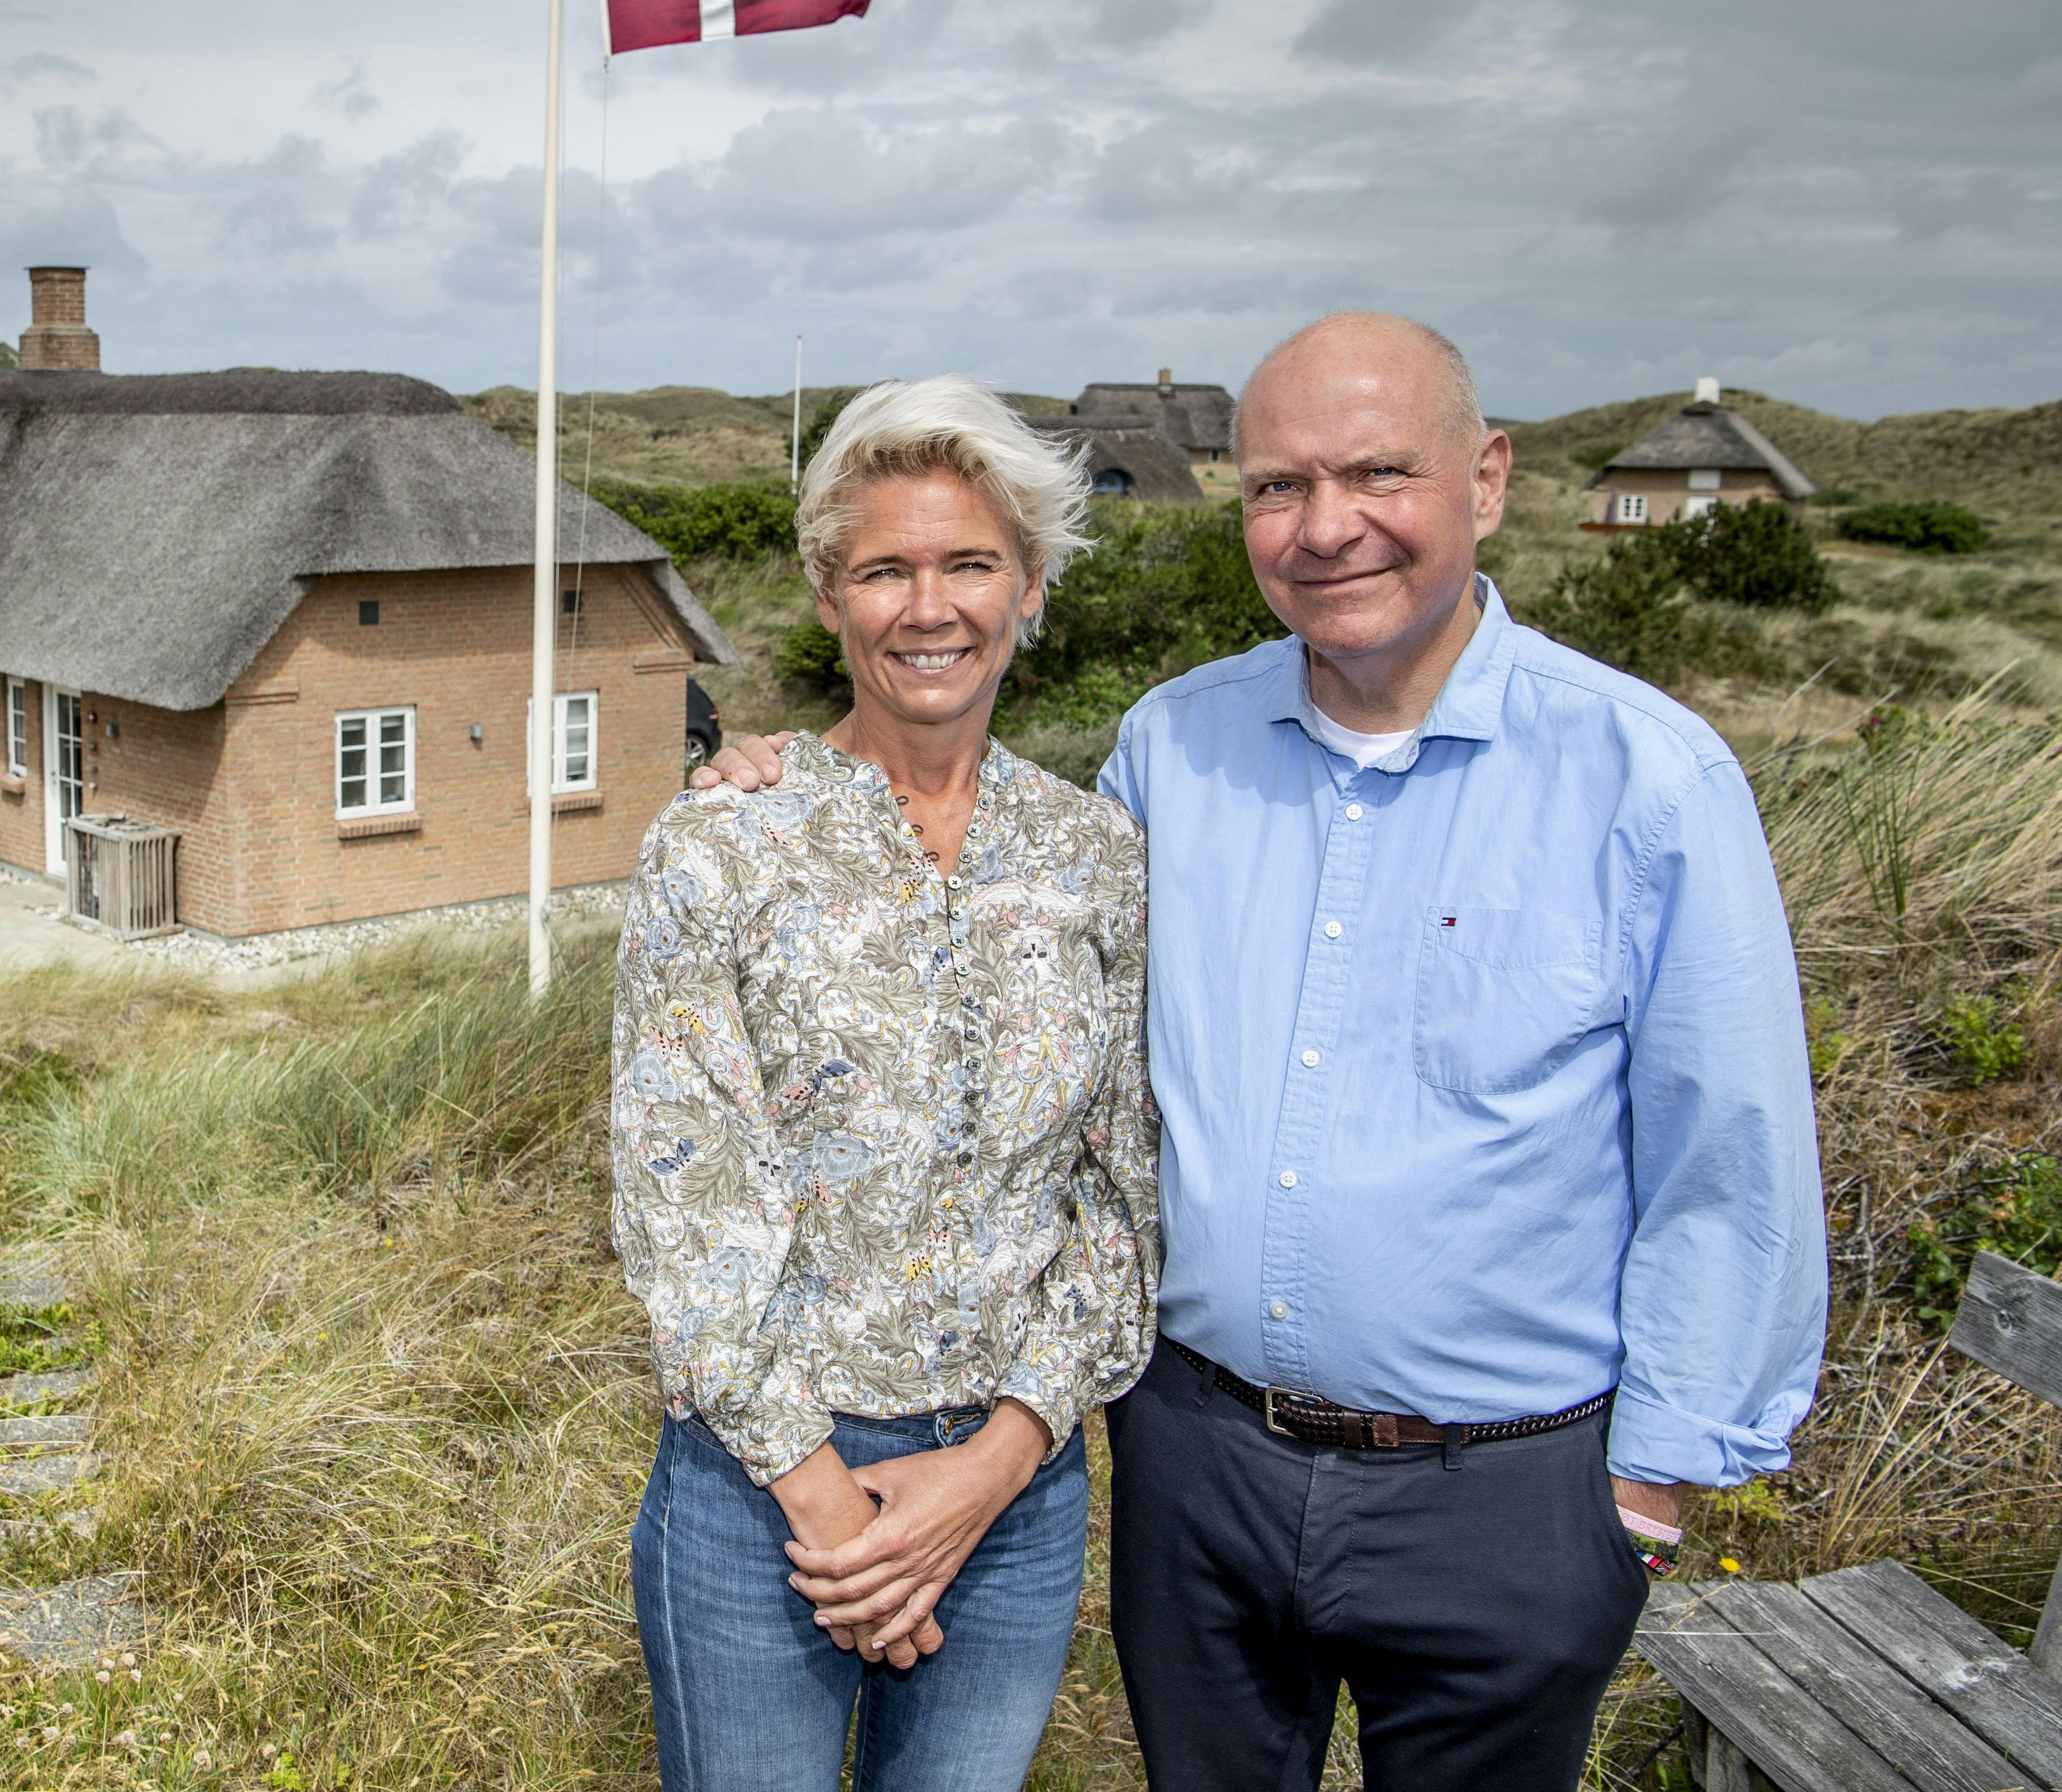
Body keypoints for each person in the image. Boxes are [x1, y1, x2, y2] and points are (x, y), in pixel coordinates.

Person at [701, 313, 1826, 1790]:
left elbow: (1730, 1156)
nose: (1328, 525)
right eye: (1282, 486)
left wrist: (1648, 1493)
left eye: (1379, 473)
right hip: (1200, 1472)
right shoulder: (1172, 752)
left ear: (1487, 480)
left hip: (1504, 1497)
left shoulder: (1650, 778)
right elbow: (1050, 1054)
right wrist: (777, 774)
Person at [612, 375, 1161, 1792]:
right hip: (764, 1492)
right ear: (827, 597)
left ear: (1029, 586)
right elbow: (684, 1200)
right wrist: (832, 1511)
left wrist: (993, 1468)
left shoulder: (1097, 854)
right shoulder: (722, 845)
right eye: (884, 571)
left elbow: (1120, 1196)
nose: (931, 607)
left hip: (1014, 1495)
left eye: (970, 563)